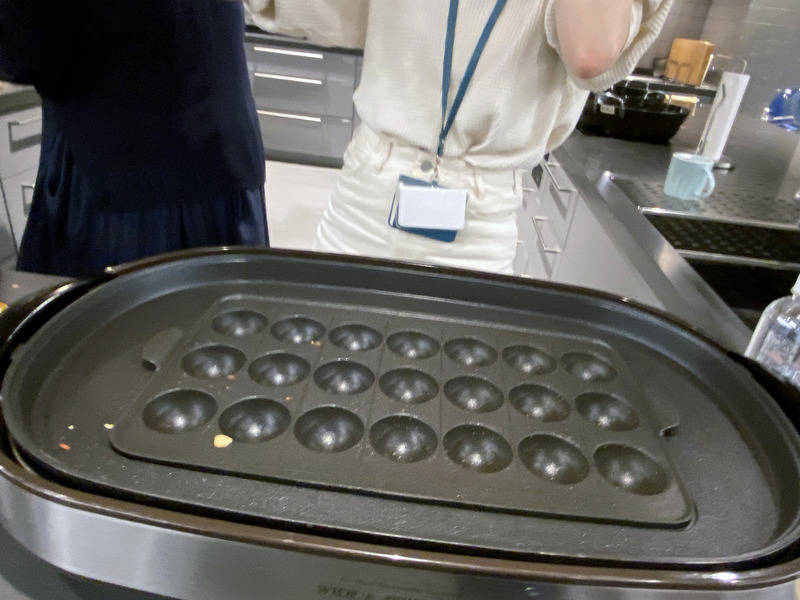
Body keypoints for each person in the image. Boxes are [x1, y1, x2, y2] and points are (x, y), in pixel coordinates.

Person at [246, 0, 672, 274]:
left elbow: (590, 53)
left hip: (477, 220)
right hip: (366, 191)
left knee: (456, 381)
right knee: (333, 362)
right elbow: (324, 13)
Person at [0, 0, 269, 278]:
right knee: (221, 295)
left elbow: (25, 49)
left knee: (121, 301)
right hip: (228, 159)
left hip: (130, 179)